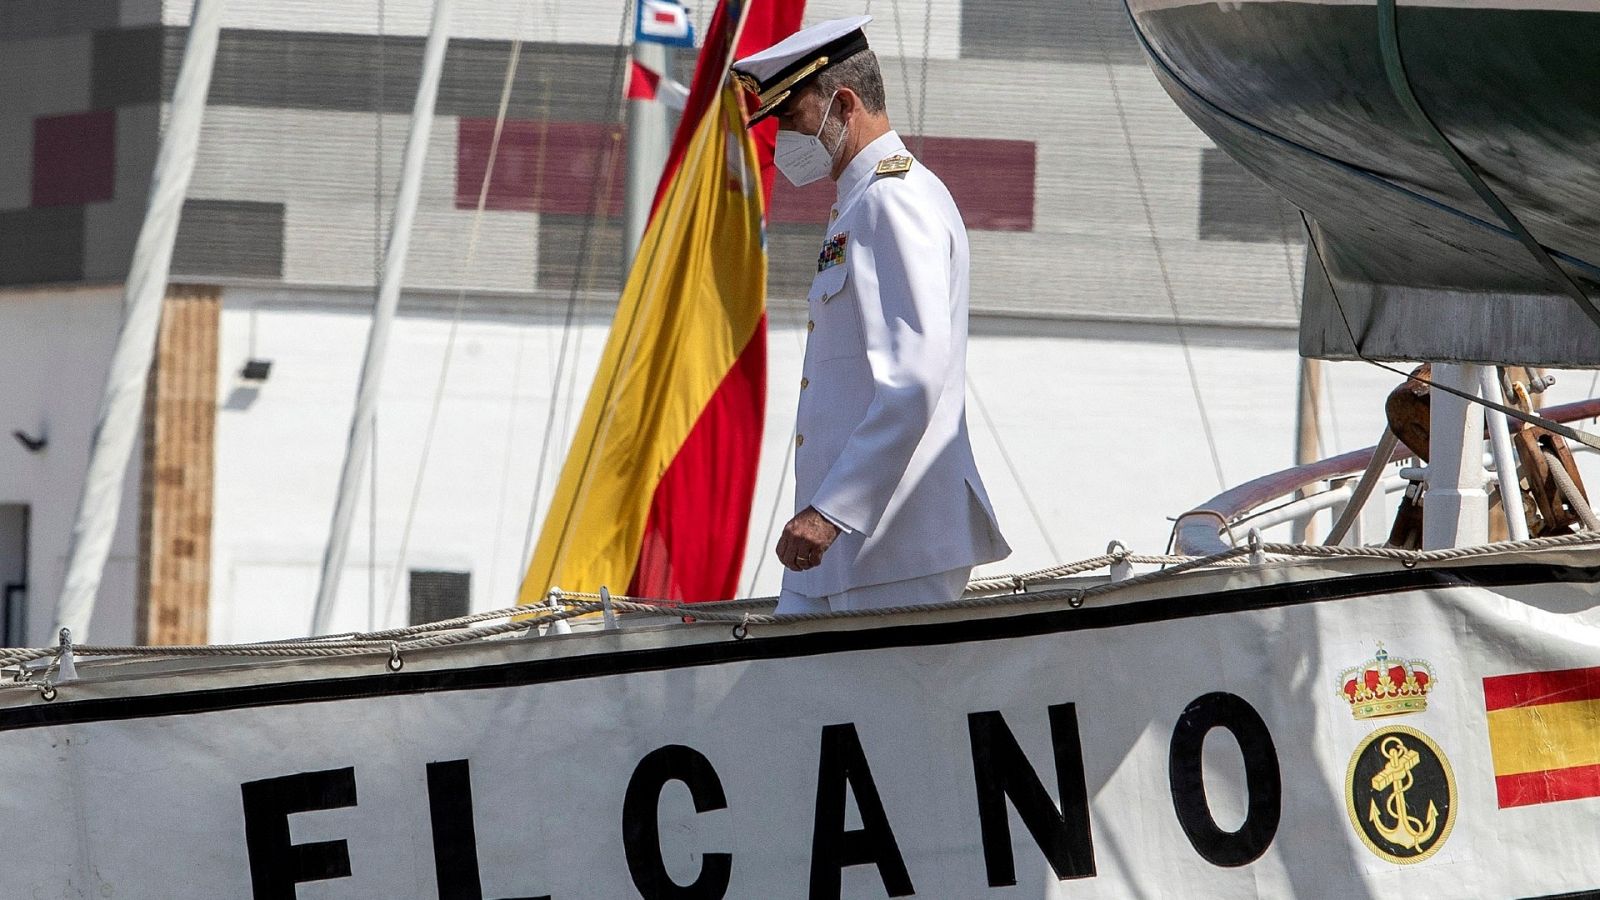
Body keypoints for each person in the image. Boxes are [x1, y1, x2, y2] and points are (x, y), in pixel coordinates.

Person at [732, 16, 1010, 614]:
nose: (785, 137)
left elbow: (915, 376)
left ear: (845, 102)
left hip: (893, 543)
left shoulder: (895, 198)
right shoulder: (860, 202)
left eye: (792, 116)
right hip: (842, 551)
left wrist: (833, 510)